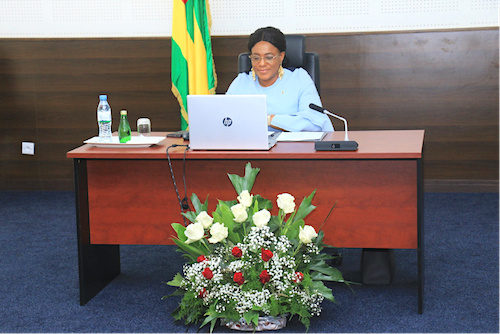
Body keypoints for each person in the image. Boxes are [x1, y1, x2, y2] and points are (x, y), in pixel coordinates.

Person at [226, 26, 333, 132]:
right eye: (256, 58)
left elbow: (315, 122)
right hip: (250, 146)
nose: (261, 64)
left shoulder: (299, 78)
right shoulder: (241, 81)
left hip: (292, 148)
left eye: (268, 57)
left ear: (281, 57)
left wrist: (270, 120)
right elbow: (223, 119)